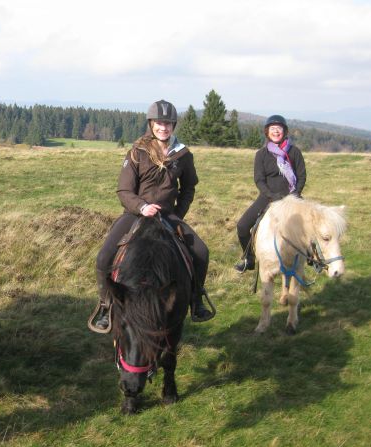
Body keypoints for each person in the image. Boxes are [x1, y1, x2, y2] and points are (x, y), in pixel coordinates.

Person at [88, 99, 214, 333]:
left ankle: (196, 301)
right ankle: (106, 306)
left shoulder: (183, 154)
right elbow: (123, 190)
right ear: (151, 124)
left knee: (201, 252)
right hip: (135, 215)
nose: (163, 127)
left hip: (167, 216)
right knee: (104, 257)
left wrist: (177, 214)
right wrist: (142, 207)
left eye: (167, 123)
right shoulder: (137, 151)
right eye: (159, 123)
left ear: (173, 125)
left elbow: (188, 188)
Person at [234, 115, 306, 272]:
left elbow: (301, 176)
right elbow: (259, 180)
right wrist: (270, 195)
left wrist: (295, 194)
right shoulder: (261, 154)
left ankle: (313, 258)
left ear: (284, 131)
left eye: (279, 128)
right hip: (267, 196)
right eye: (272, 129)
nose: (276, 131)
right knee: (242, 226)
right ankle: (249, 259)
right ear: (267, 132)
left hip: (292, 197)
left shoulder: (294, 152)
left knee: (311, 224)